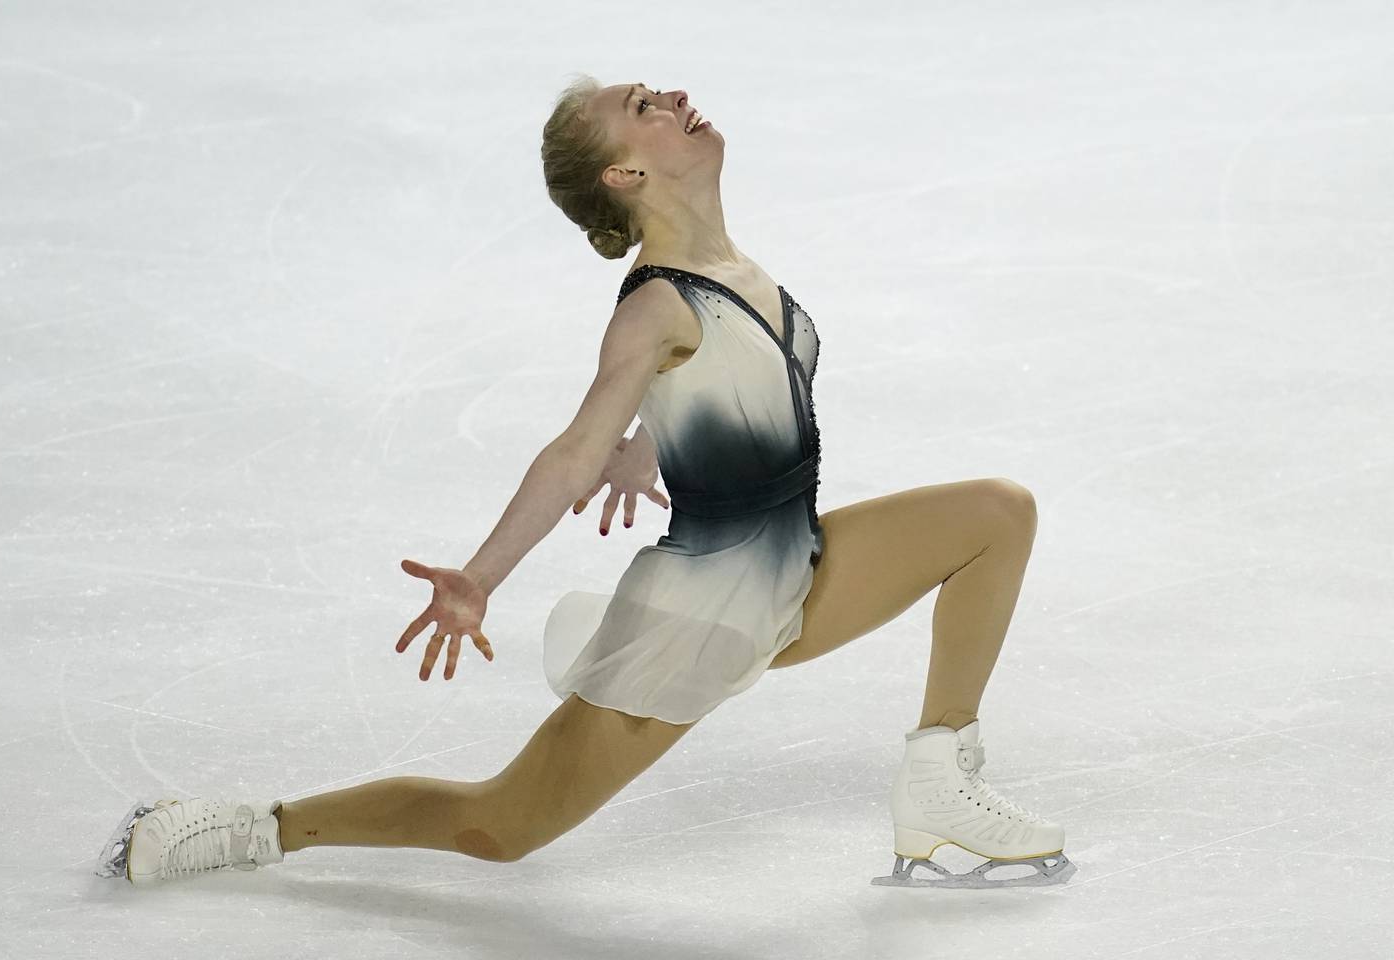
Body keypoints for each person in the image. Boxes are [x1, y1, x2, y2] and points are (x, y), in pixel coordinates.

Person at [95, 75, 1074, 890]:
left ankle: (939, 777)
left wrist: (657, 443)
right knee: (500, 828)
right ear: (628, 172)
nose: (674, 97)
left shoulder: (733, 268)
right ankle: (252, 826)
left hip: (795, 568)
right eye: (644, 104)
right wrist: (480, 577)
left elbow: (729, 384)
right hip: (704, 616)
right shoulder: (654, 306)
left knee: (997, 515)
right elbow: (571, 450)